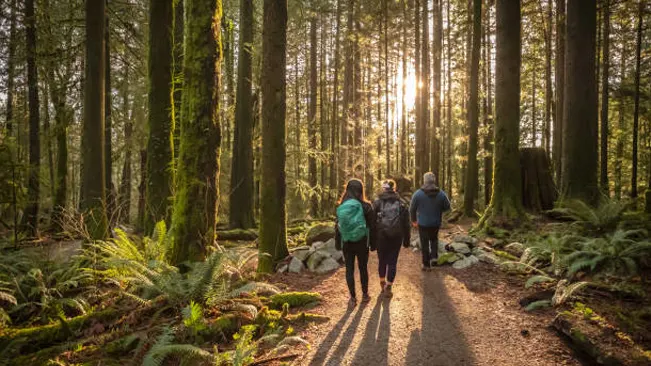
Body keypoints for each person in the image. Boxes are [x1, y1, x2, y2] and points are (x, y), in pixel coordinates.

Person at [335, 178, 376, 305]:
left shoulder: (341, 207)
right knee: (363, 268)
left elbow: (337, 227)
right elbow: (373, 226)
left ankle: (352, 298)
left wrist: (338, 244)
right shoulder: (366, 206)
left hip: (346, 242)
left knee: (349, 269)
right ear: (360, 190)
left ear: (347, 190)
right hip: (362, 242)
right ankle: (365, 295)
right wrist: (373, 244)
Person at [372, 180, 410, 298]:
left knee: (382, 261)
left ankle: (382, 283)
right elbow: (406, 223)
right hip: (396, 236)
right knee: (392, 262)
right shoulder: (401, 203)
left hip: (381, 236)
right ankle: (389, 286)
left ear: (384, 188)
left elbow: (372, 223)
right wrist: (406, 240)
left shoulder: (377, 203)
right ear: (394, 188)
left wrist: (372, 242)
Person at [409, 172, 451, 270]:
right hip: (436, 222)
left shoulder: (418, 194)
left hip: (422, 223)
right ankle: (434, 258)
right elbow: (447, 207)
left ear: (424, 180)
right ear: (434, 180)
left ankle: (426, 265)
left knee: (424, 243)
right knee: (434, 239)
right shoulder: (441, 194)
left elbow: (412, 209)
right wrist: (439, 210)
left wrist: (414, 220)